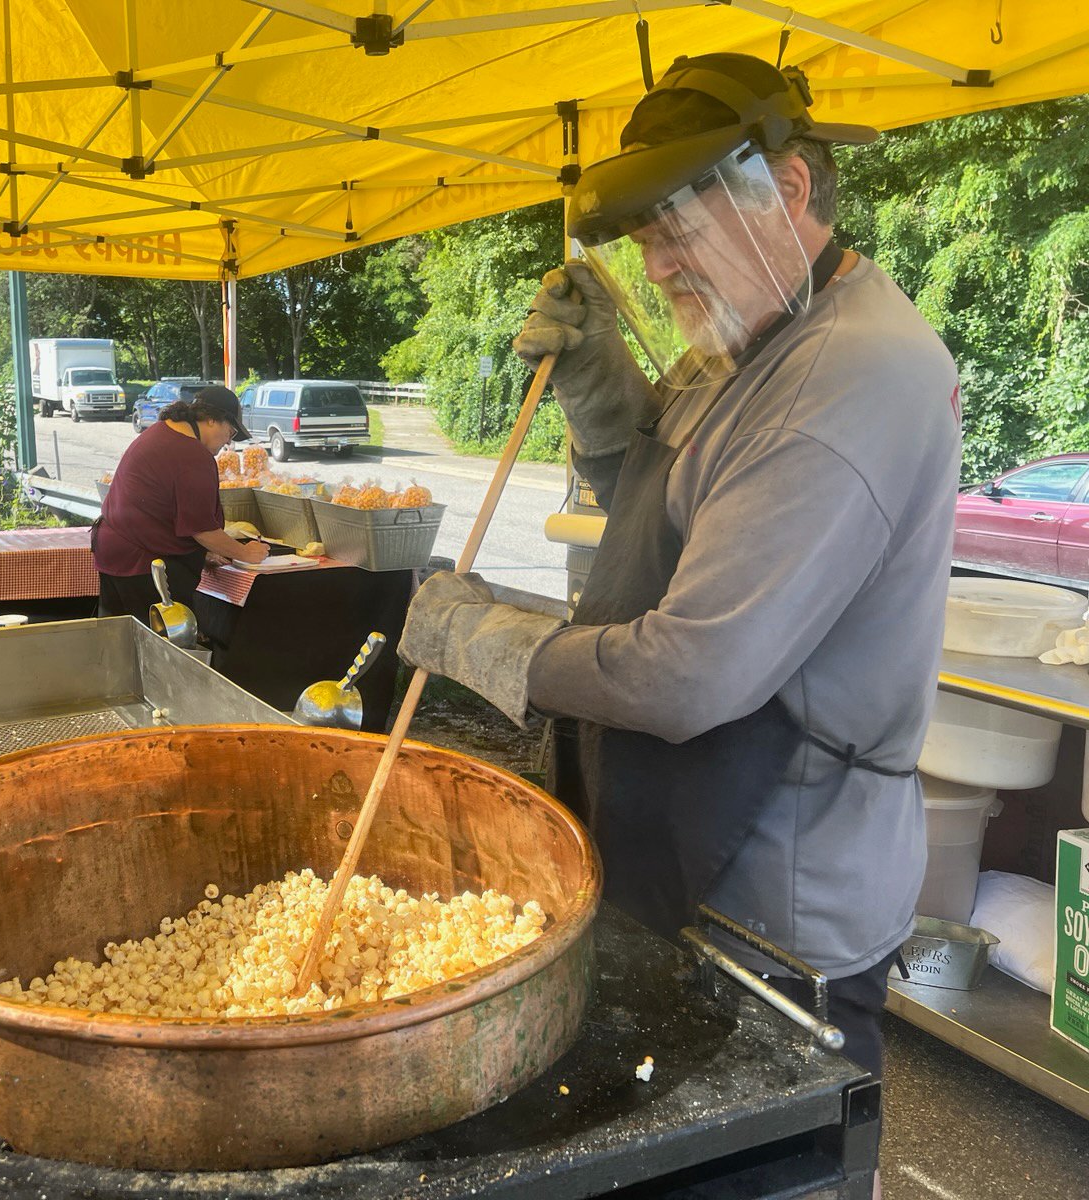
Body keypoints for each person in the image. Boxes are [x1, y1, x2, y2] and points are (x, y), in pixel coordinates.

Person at [400, 53, 960, 1089]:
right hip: (683, 829)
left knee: (772, 1153)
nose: (655, 267)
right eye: (644, 238)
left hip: (778, 886)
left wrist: (484, 638)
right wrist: (598, 382)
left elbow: (686, 678)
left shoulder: (847, 375)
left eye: (675, 228)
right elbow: (660, 516)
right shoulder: (743, 333)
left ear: (785, 189)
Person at [93, 385, 268, 622]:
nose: (228, 441)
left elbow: (160, 509)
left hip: (114, 550)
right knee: (162, 645)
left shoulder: (161, 431)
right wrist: (244, 553)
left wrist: (205, 553)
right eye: (232, 431)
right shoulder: (192, 454)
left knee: (121, 643)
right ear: (212, 421)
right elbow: (203, 530)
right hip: (142, 562)